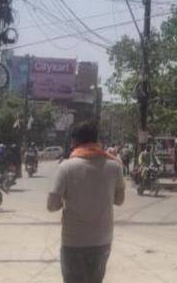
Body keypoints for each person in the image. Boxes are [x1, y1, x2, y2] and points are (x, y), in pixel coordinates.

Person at [48, 121, 125, 283]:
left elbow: (51, 205)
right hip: (102, 241)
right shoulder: (115, 166)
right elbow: (119, 200)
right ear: (96, 141)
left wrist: (69, 201)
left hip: (74, 241)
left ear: (74, 142)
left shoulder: (66, 167)